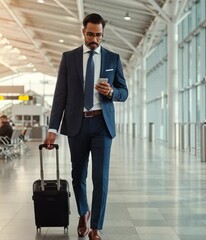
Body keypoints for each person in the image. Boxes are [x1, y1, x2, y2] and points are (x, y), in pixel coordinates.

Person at [43, 13, 128, 240]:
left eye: (99, 35)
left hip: (102, 124)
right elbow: (60, 95)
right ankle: (83, 212)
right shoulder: (69, 58)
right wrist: (53, 129)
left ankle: (95, 227)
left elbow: (124, 92)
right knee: (78, 174)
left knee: (100, 178)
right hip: (77, 124)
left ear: (102, 34)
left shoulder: (112, 58)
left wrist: (112, 92)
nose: (94, 39)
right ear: (83, 32)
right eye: (90, 34)